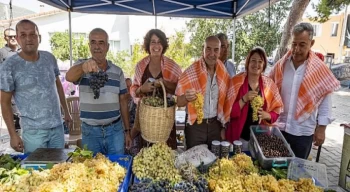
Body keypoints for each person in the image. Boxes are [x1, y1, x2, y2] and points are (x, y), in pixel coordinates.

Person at [269, 22, 340, 159]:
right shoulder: (281, 66)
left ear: (311, 43)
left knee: (297, 174)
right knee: (275, 171)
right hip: (280, 128)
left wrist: (321, 129)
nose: (296, 49)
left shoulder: (319, 70)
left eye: (302, 45)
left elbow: (325, 100)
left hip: (302, 132)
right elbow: (268, 87)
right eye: (294, 44)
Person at [0, 19, 71, 153]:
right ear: (17, 38)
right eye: (23, 35)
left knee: (59, 170)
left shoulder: (49, 58)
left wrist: (66, 112)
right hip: (33, 133)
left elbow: (58, 86)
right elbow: (4, 102)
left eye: (33, 34)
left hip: (57, 128)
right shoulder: (9, 66)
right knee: (36, 172)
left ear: (39, 37)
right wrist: (13, 135)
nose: (29, 39)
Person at [66, 28, 131, 155]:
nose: (97, 47)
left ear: (107, 47)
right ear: (89, 46)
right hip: (91, 133)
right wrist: (83, 67)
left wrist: (127, 131)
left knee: (117, 168)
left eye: (101, 43)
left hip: (115, 131)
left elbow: (123, 101)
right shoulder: (81, 66)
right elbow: (69, 76)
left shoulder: (117, 71)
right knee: (93, 171)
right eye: (93, 42)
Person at [176, 36, 233, 149]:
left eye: (216, 49)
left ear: (220, 51)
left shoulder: (224, 73)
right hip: (196, 126)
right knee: (195, 163)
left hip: (215, 126)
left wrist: (224, 127)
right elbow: (178, 102)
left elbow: (227, 101)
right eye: (208, 49)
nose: (212, 53)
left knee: (215, 161)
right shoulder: (190, 72)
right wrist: (186, 98)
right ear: (203, 49)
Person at [130, 29, 182, 150]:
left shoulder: (172, 66)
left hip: (166, 119)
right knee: (147, 155)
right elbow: (134, 91)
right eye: (153, 42)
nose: (156, 46)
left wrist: (164, 83)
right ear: (148, 45)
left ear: (163, 45)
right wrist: (142, 89)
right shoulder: (140, 65)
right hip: (146, 120)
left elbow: (180, 89)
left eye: (159, 42)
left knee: (166, 154)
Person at [225, 47, 283, 149]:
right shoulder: (236, 82)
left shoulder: (269, 84)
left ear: (264, 64)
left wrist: (267, 115)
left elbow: (277, 111)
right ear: (248, 62)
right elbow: (229, 113)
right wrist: (244, 99)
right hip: (238, 138)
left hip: (259, 139)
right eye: (253, 60)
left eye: (260, 61)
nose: (256, 65)